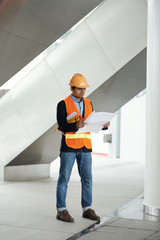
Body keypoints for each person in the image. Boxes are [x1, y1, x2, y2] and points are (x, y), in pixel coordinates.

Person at [56, 73, 110, 223]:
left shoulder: (88, 103)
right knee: (64, 179)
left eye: (84, 89)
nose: (82, 91)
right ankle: (61, 210)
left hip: (85, 147)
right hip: (69, 147)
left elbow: (91, 124)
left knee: (87, 179)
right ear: (72, 88)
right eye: (79, 89)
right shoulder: (63, 104)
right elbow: (61, 125)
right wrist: (75, 125)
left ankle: (87, 209)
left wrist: (103, 125)